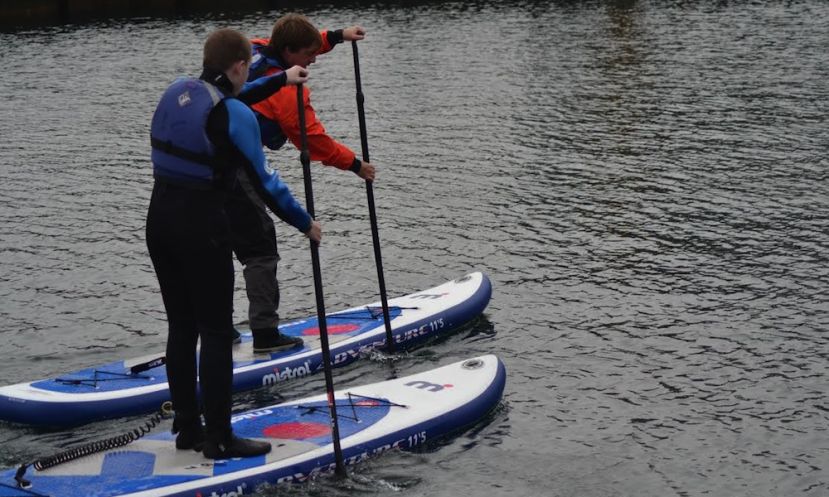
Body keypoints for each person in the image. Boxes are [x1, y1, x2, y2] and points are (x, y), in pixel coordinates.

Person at [146, 28, 321, 459]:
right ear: (240, 65)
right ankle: (221, 439)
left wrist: (282, 79)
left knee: (182, 327)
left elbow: (228, 100)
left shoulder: (178, 90)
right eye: (248, 70)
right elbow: (268, 184)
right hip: (201, 227)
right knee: (218, 332)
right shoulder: (234, 114)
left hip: (159, 221)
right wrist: (305, 224)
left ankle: (188, 428)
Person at [225, 14, 375, 352]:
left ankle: (220, 328)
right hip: (233, 168)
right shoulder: (286, 91)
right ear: (290, 53)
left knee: (219, 243)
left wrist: (337, 36)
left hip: (199, 166)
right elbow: (313, 141)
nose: (314, 60)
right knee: (260, 249)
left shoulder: (257, 49)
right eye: (309, 55)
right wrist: (355, 165)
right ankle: (265, 336)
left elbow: (299, 41)